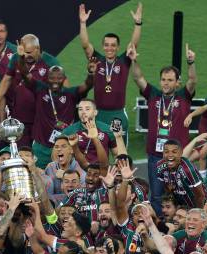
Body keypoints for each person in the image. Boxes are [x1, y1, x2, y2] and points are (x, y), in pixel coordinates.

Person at [128, 43, 197, 215]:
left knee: (181, 194)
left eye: (170, 80)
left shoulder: (183, 96)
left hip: (178, 157)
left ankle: (179, 226)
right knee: (157, 196)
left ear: (177, 82)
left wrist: (191, 63)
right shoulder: (153, 94)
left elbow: (193, 80)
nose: (166, 83)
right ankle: (159, 227)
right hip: (156, 155)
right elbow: (138, 78)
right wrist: (134, 60)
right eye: (164, 80)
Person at [16, 45, 96, 168]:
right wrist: (21, 58)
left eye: (59, 78)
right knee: (38, 175)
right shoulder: (40, 89)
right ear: (47, 79)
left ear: (63, 79)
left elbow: (87, 85)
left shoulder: (71, 94)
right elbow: (25, 74)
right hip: (41, 147)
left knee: (64, 177)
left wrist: (91, 73)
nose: (55, 81)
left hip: (63, 147)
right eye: (52, 78)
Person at [78, 2, 143, 141]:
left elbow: (134, 45)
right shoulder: (97, 60)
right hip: (99, 114)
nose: (110, 48)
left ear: (118, 47)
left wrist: (138, 23)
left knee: (120, 154)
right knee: (99, 150)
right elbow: (85, 45)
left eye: (113, 45)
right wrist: (83, 23)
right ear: (102, 46)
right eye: (106, 45)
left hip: (118, 114)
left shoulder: (124, 61)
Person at [0, 34, 61, 147]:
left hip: (41, 117)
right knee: (22, 149)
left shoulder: (50, 62)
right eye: (23, 52)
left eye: (29, 52)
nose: (25, 55)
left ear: (37, 48)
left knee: (39, 150)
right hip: (20, 116)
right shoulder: (16, 58)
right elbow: (6, 80)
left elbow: (63, 87)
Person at [62, 99, 116, 171]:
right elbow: (60, 154)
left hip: (101, 172)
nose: (83, 112)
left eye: (87, 109)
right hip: (77, 174)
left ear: (95, 112)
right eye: (80, 109)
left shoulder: (107, 130)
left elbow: (116, 154)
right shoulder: (69, 131)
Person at [155, 139, 207, 209]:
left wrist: (197, 213)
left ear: (181, 153)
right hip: (184, 207)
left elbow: (200, 196)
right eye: (166, 152)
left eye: (174, 152)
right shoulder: (160, 166)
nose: (170, 155)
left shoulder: (187, 169)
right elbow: (167, 189)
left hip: (205, 206)